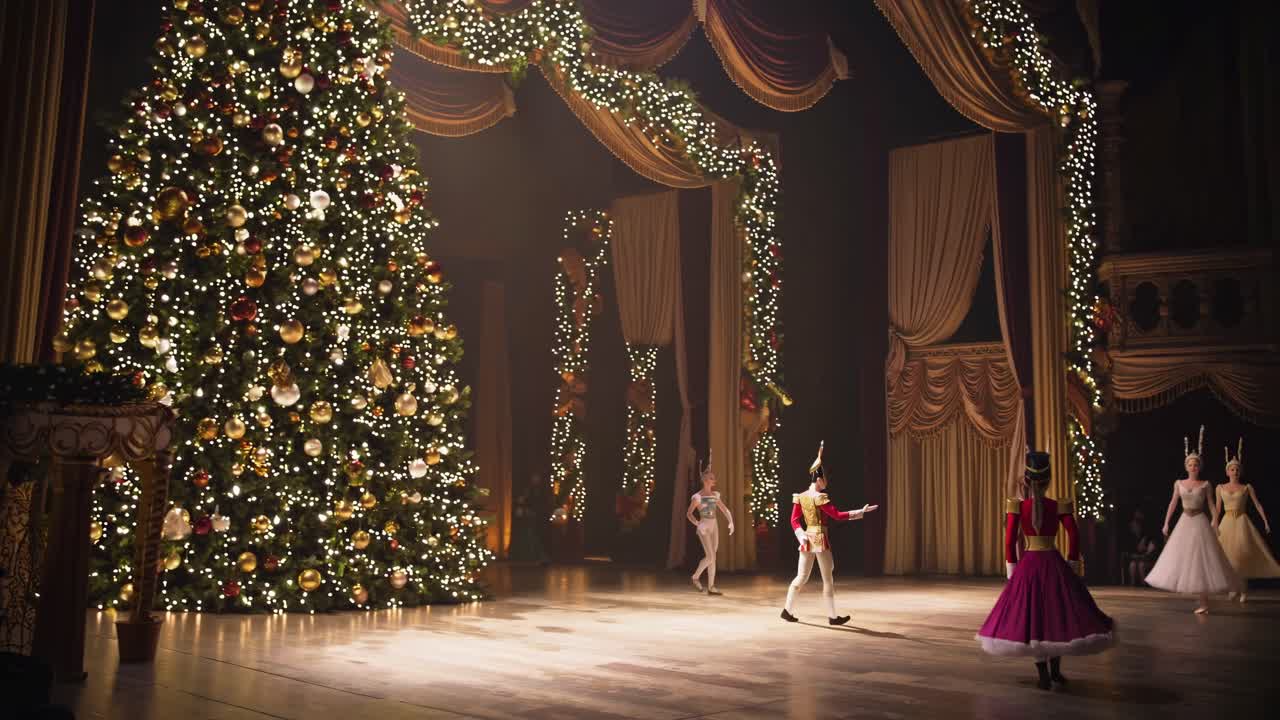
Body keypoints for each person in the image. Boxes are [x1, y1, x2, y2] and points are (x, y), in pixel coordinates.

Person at [976, 451, 1115, 691]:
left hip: (1029, 566)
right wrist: (1072, 564)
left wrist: (1012, 571)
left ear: (1027, 481)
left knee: (1034, 618)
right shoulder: (1058, 505)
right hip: (1054, 563)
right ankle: (1056, 672)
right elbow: (1074, 535)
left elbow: (1009, 542)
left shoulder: (1018, 507)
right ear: (1049, 479)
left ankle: (1043, 676)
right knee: (1055, 615)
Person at [1144, 426, 1240, 613]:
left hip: (1199, 521)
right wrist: (1166, 523)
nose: (1193, 467)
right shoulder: (1179, 483)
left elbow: (1212, 504)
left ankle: (1204, 602)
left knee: (1201, 561)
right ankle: (1200, 600)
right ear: (1186, 466)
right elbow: (1173, 503)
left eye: (1196, 465)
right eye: (1190, 465)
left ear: (1199, 467)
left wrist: (1214, 520)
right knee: (1184, 560)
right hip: (1184, 521)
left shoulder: (1205, 484)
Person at [780, 442, 877, 625]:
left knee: (801, 576)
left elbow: (793, 520)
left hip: (807, 537)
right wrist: (861, 512)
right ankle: (832, 617)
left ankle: (787, 610)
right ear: (819, 479)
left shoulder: (801, 496)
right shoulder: (819, 497)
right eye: (825, 479)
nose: (826, 482)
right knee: (828, 578)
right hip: (819, 539)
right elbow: (838, 516)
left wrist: (801, 535)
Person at [1215, 438, 1280, 602]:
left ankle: (1243, 589)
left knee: (1241, 557)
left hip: (1242, 522)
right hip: (1227, 522)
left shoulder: (1247, 487)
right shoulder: (1220, 488)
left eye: (1237, 469)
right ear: (1227, 471)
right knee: (1228, 558)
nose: (1234, 472)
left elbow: (1258, 505)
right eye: (1232, 469)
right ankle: (1233, 588)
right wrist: (1213, 522)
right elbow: (1216, 509)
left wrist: (1265, 521)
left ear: (1240, 471)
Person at [686, 451, 733, 595]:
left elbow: (725, 510)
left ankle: (711, 586)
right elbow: (689, 513)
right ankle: (695, 577)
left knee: (712, 557)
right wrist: (698, 524)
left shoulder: (715, 495)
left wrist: (731, 522)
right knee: (711, 556)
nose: (714, 480)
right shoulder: (698, 497)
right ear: (705, 480)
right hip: (704, 527)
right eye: (712, 478)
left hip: (714, 526)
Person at [1121, 509, 1160, 586]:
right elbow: (1131, 553)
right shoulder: (1132, 539)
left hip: (1147, 560)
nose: (1133, 527)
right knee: (1132, 565)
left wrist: (1142, 555)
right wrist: (1135, 556)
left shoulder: (1148, 538)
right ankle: (1133, 584)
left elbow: (1151, 553)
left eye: (1135, 526)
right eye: (1132, 526)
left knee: (1141, 565)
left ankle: (1143, 584)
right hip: (1138, 559)